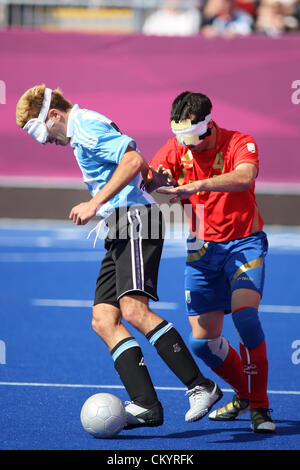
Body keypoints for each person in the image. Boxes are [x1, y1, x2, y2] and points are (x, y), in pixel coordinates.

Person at [15, 85, 222, 429]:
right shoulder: (82, 133)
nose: (45, 141)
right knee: (103, 319)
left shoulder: (84, 125)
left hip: (136, 220)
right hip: (120, 225)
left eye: (42, 132)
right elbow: (133, 163)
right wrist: (147, 182)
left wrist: (94, 204)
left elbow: (132, 159)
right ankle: (146, 405)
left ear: (53, 114)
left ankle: (201, 385)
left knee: (133, 310)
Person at [148, 91, 276, 433]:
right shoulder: (178, 147)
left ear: (208, 125)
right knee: (202, 342)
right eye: (179, 137)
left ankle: (260, 406)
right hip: (201, 249)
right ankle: (243, 394)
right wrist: (153, 181)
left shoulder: (239, 141)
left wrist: (198, 185)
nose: (185, 145)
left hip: (244, 244)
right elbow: (152, 176)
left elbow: (245, 177)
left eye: (190, 136)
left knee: (247, 318)